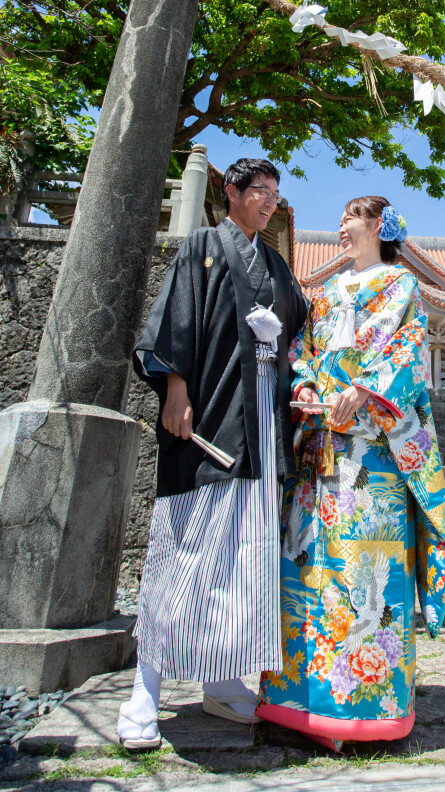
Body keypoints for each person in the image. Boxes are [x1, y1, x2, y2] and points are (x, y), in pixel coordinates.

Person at [117, 158, 307, 751]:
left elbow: (299, 328)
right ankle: (145, 689)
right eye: (260, 191)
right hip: (208, 420)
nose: (270, 202)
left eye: (276, 193)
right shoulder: (202, 245)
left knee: (246, 561)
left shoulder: (275, 264)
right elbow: (174, 318)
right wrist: (175, 384)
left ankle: (223, 679)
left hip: (261, 433)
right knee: (186, 552)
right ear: (231, 193)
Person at [255, 195, 445, 751]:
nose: (341, 228)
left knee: (362, 574)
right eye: (342, 220)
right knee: (305, 567)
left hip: (373, 454)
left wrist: (363, 393)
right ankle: (297, 703)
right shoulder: (325, 294)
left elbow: (406, 354)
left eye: (350, 219)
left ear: (377, 227)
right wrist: (308, 385)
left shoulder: (402, 286)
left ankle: (362, 708)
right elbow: (303, 350)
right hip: (320, 450)